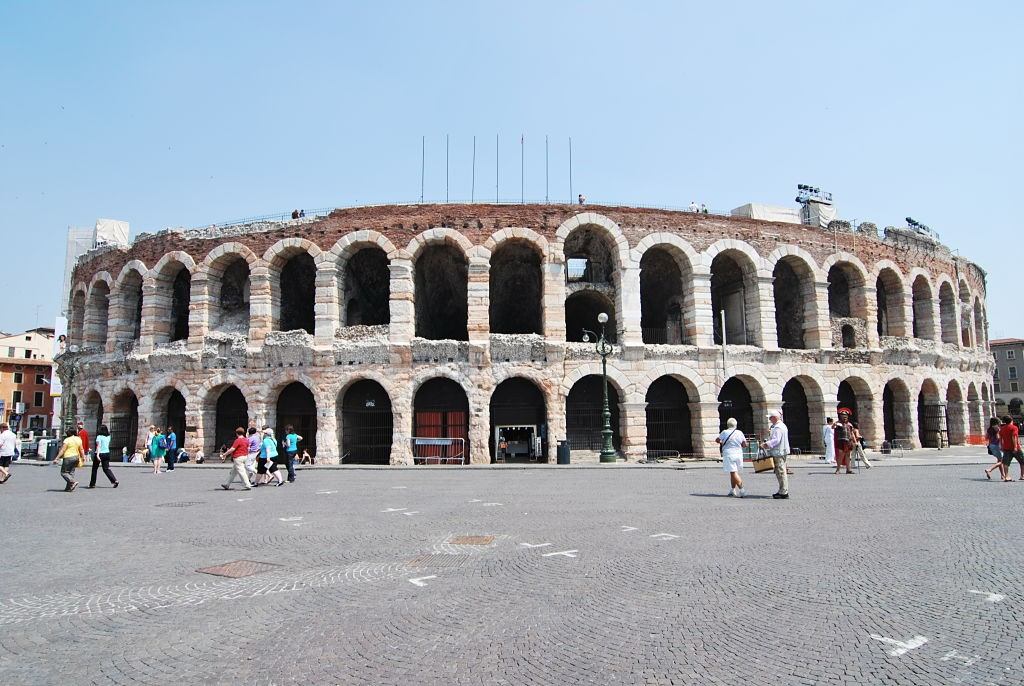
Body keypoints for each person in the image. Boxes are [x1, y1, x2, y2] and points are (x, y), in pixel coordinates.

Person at [762, 409, 791, 499]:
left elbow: (776, 440)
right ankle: (782, 490)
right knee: (780, 471)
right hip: (782, 451)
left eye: (770, 418)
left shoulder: (778, 427)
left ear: (774, 417)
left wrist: (766, 444)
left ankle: (784, 491)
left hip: (779, 452)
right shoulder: (781, 426)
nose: (770, 420)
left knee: (781, 472)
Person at [716, 418, 748, 497]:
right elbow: (744, 444)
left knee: (733, 472)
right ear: (736, 425)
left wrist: (721, 442)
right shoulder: (740, 432)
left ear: (727, 425)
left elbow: (717, 440)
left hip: (729, 454)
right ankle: (733, 490)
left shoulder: (724, 432)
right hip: (738, 454)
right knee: (733, 472)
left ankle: (742, 489)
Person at [88, 424, 118, 488]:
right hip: (107, 453)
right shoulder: (108, 437)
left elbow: (99, 446)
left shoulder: (99, 437)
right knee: (106, 469)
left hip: (100, 453)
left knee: (94, 469)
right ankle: (114, 480)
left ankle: (92, 484)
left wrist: (98, 455)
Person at [998, 415, 1022, 482]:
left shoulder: (1002, 429)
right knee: (1022, 461)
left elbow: (1000, 439)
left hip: (1006, 448)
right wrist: (1015, 447)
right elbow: (1014, 437)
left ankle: (1006, 476)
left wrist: (1001, 446)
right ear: (1011, 420)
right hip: (1015, 448)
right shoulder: (1014, 427)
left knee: (1006, 463)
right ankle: (1022, 475)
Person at [833, 409, 855, 474]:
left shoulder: (850, 424)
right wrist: (835, 424)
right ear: (840, 416)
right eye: (843, 415)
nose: (844, 417)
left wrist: (855, 441)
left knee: (848, 455)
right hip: (841, 441)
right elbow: (833, 427)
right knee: (841, 456)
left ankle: (848, 469)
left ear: (847, 417)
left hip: (849, 441)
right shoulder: (838, 423)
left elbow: (852, 433)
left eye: (845, 416)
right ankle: (838, 470)